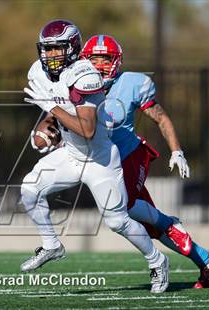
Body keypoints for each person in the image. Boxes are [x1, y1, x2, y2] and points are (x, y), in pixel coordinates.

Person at [21, 19, 169, 293]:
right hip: (71, 154)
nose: (51, 55)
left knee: (117, 221)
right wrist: (43, 129)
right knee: (29, 189)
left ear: (74, 47)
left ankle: (157, 260)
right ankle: (52, 245)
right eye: (47, 49)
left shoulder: (85, 74)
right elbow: (53, 111)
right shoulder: (38, 72)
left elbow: (87, 129)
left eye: (58, 49)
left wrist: (51, 106)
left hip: (100, 159)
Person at [79, 34, 209, 289]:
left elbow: (162, 119)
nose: (99, 65)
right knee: (151, 228)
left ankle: (168, 222)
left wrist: (177, 151)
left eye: (105, 59)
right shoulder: (76, 85)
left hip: (130, 156)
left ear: (117, 61)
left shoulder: (132, 83)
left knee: (125, 207)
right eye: (94, 59)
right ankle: (206, 260)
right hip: (104, 164)